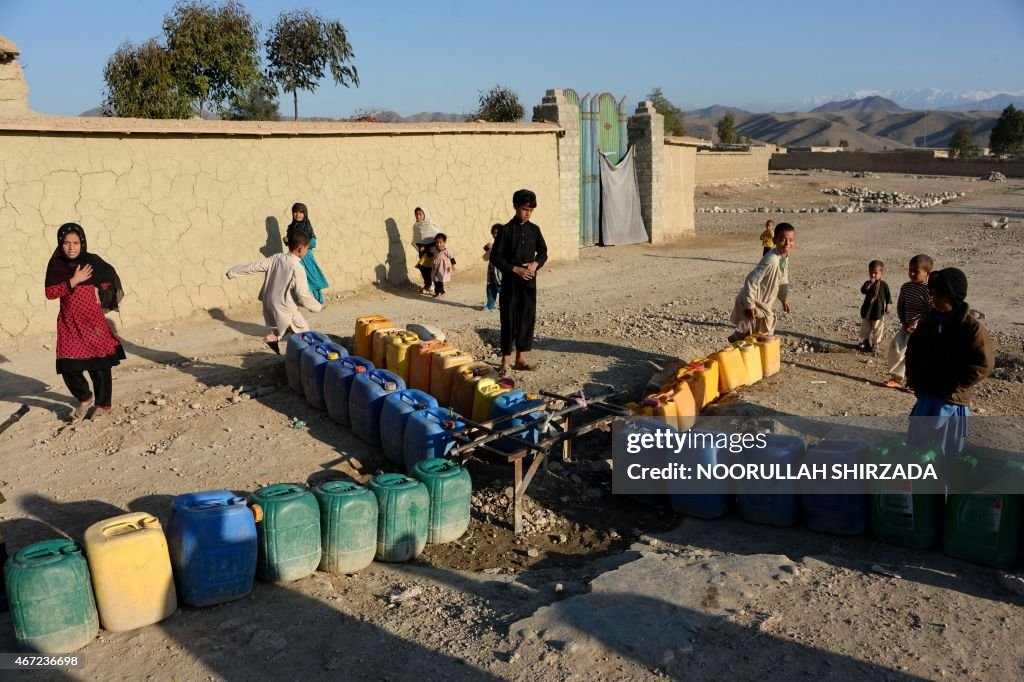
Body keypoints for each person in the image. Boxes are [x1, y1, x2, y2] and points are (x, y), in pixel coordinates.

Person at [905, 268, 994, 460]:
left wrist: (955, 386)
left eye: (939, 295)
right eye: (933, 294)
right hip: (927, 397)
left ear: (953, 296)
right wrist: (914, 379)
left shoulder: (971, 328)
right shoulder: (929, 321)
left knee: (945, 456)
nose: (934, 299)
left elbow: (983, 364)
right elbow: (913, 350)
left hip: (950, 403)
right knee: (917, 453)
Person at [44, 222, 126, 420]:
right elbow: (50, 292)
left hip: (92, 322)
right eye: (66, 243)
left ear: (82, 243)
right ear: (60, 244)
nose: (71, 247)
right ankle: (85, 397)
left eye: (76, 242)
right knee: (68, 366)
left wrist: (103, 284)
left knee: (99, 365)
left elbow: (107, 278)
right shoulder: (56, 265)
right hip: (69, 323)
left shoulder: (91, 262)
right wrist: (74, 280)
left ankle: (103, 404)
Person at [227, 230, 323, 354]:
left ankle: (273, 337)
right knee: (303, 332)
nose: (306, 251)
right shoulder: (297, 268)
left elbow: (255, 266)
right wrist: (316, 307)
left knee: (287, 324)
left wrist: (233, 271)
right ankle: (301, 359)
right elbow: (302, 293)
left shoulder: (277, 257)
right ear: (300, 249)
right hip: (284, 306)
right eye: (306, 248)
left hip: (269, 302)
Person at [490, 189, 548, 376]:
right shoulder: (506, 231)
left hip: (529, 282)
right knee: (508, 318)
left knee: (525, 318)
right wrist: (515, 269)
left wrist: (535, 264)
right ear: (515, 207)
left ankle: (520, 359)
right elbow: (495, 257)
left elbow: (543, 252)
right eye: (524, 209)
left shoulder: (535, 230)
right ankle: (505, 360)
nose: (527, 213)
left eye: (530, 210)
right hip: (510, 283)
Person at [728, 223, 795, 342]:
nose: (787, 243)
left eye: (790, 240)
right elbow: (751, 279)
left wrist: (783, 299)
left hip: (763, 301)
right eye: (783, 240)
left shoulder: (784, 257)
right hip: (753, 300)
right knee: (764, 331)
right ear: (774, 240)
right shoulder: (772, 260)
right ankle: (741, 347)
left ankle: (738, 341)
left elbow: (783, 278)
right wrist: (750, 304)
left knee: (749, 330)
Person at [885, 254, 933, 389]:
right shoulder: (906, 287)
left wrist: (921, 326)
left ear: (927, 273)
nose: (911, 273)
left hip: (922, 330)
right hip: (906, 327)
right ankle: (897, 379)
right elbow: (901, 305)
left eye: (916, 271)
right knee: (897, 350)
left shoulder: (929, 290)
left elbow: (931, 311)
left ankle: (916, 383)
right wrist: (904, 322)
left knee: (918, 357)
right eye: (910, 270)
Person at [283, 202, 329, 304]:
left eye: (301, 212)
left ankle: (318, 301)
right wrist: (287, 240)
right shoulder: (291, 228)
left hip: (306, 257)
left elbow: (313, 243)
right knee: (294, 279)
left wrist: (300, 242)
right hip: (294, 258)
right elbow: (290, 245)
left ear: (305, 213)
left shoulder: (307, 226)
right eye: (295, 212)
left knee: (313, 278)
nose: (298, 214)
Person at [858, 260, 892, 353]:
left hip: (878, 311)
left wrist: (888, 305)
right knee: (865, 327)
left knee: (878, 328)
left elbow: (888, 295)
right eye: (871, 273)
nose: (873, 275)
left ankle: (875, 344)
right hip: (867, 311)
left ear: (881, 273)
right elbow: (863, 290)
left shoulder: (884, 285)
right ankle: (865, 341)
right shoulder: (868, 283)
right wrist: (869, 283)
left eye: (875, 273)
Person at [411, 206, 440, 294]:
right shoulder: (416, 226)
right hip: (423, 251)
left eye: (420, 214)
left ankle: (437, 288)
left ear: (425, 214)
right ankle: (428, 284)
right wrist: (421, 246)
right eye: (416, 214)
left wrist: (434, 247)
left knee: (434, 268)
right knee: (423, 267)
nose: (418, 216)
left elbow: (439, 237)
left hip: (433, 250)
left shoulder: (431, 224)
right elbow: (416, 240)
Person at [482, 223, 503, 311]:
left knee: (501, 289)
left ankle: (505, 305)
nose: (495, 235)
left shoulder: (505, 245)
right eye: (494, 233)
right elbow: (485, 258)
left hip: (500, 273)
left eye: (497, 233)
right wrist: (488, 249)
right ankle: (490, 305)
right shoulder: (492, 245)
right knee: (490, 288)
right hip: (491, 272)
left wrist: (492, 248)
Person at [431, 233, 456, 298]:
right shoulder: (434, 249)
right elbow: (430, 253)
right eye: (437, 242)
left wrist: (453, 265)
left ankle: (439, 293)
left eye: (440, 242)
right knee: (435, 280)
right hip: (436, 268)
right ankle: (440, 292)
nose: (438, 244)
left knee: (439, 280)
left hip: (443, 269)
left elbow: (452, 258)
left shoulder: (446, 251)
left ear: (444, 242)